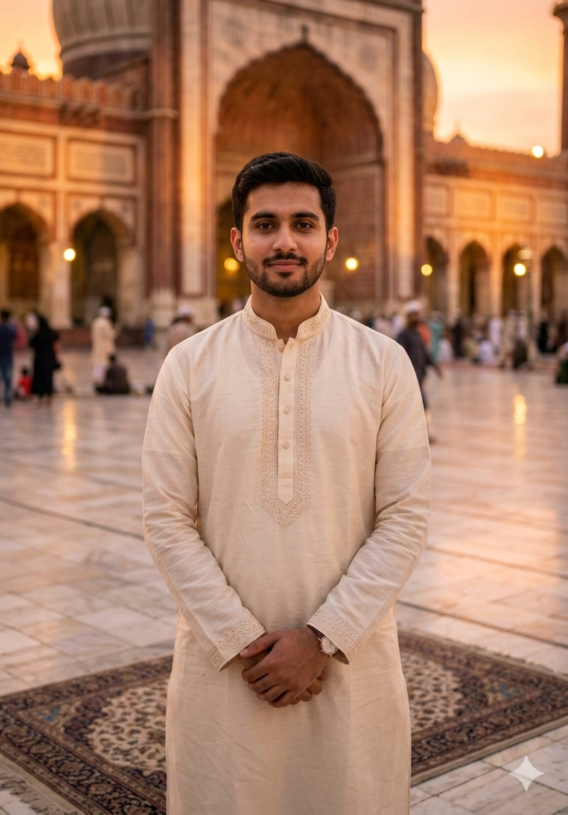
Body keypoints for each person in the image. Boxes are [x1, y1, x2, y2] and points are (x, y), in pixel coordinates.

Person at [143, 151, 431, 815]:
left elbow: (405, 518)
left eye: (303, 224)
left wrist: (321, 637)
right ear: (238, 240)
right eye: (265, 224)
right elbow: (165, 518)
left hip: (351, 671)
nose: (284, 241)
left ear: (330, 240)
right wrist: (248, 640)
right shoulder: (189, 366)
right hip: (226, 672)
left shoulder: (382, 364)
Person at [396, 300, 442, 440]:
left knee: (422, 405)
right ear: (408, 317)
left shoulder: (417, 334)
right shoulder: (403, 335)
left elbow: (424, 353)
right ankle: (417, 435)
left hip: (420, 376)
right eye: (414, 315)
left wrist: (435, 366)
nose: (417, 318)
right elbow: (399, 356)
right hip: (409, 378)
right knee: (418, 405)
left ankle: (422, 434)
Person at [29, 314, 59, 402]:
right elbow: (56, 346)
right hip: (49, 358)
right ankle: (49, 395)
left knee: (39, 376)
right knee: (48, 376)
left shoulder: (38, 334)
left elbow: (31, 344)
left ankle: (40, 395)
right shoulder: (52, 333)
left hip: (39, 358)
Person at [90, 306, 116, 386]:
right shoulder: (105, 323)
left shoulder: (95, 322)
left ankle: (96, 379)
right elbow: (110, 335)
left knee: (97, 363)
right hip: (104, 346)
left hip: (97, 345)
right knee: (103, 363)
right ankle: (101, 380)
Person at [0, 309, 17, 407]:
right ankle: (7, 399)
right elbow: (15, 337)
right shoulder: (11, 329)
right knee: (8, 379)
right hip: (8, 357)